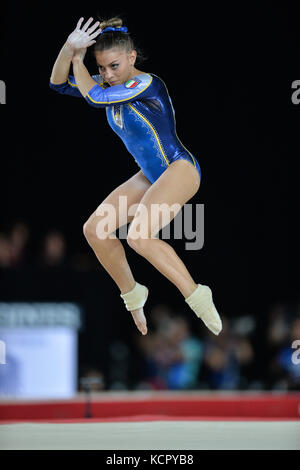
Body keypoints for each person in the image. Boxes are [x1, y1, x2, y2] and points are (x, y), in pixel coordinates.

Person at [49, 16, 222, 337]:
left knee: (139, 236)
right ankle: (133, 293)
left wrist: (77, 58)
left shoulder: (146, 84)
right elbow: (58, 84)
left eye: (114, 66)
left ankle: (198, 295)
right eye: (100, 68)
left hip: (179, 168)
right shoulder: (106, 86)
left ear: (131, 57)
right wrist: (69, 47)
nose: (107, 75)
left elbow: (94, 98)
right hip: (151, 175)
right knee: (96, 230)